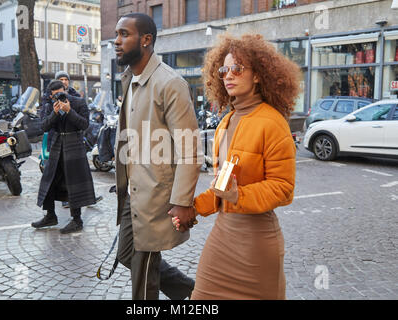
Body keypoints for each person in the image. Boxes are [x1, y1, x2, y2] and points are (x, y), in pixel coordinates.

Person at [174, 33, 300, 300]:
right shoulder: (225, 123)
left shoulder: (273, 122)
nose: (228, 75)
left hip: (257, 244)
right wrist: (192, 208)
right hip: (223, 237)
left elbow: (283, 188)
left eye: (237, 68)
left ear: (257, 75)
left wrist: (238, 195)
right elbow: (223, 189)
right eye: (224, 69)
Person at [113, 13, 202, 300]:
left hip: (156, 197)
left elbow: (190, 148)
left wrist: (182, 201)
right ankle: (192, 291)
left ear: (146, 40)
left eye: (124, 34)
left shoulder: (170, 83)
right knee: (127, 254)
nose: (116, 41)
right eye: (116, 34)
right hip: (133, 192)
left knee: (143, 272)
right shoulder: (130, 79)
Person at [32, 80, 96, 234]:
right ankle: (50, 215)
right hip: (57, 145)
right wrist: (54, 113)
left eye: (61, 93)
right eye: (55, 95)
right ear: (51, 95)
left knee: (74, 183)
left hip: (74, 145)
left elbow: (85, 125)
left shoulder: (79, 102)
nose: (59, 97)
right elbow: (44, 126)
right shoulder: (49, 106)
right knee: (49, 180)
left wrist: (69, 111)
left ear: (66, 89)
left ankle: (77, 220)